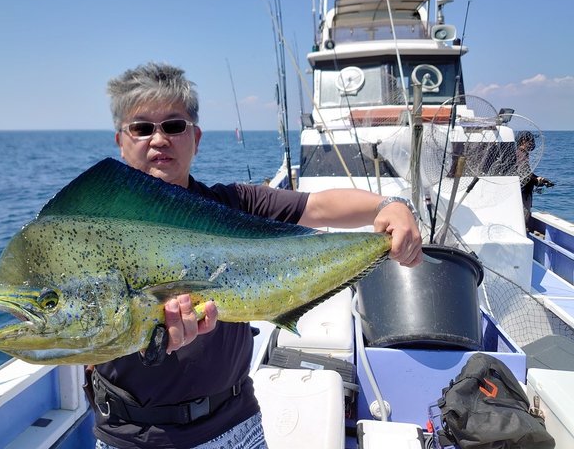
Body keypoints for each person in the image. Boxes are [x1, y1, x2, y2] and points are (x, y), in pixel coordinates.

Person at [91, 61, 423, 449]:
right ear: (121, 141)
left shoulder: (234, 204)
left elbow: (319, 206)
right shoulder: (96, 232)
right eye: (142, 128)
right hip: (131, 438)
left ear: (195, 137)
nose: (159, 139)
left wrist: (392, 205)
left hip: (235, 425)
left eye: (174, 125)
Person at [515, 131, 554, 226]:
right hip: (523, 192)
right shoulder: (522, 154)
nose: (532, 143)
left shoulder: (518, 153)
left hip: (520, 191)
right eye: (530, 141)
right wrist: (537, 180)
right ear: (523, 141)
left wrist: (539, 179)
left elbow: (527, 173)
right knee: (523, 218)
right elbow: (525, 173)